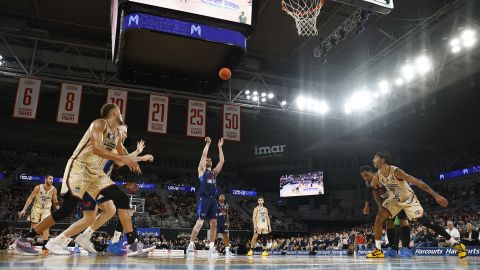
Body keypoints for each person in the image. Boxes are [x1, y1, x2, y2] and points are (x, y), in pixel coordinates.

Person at [14, 103, 153, 256]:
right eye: (120, 112)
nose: (122, 115)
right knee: (67, 209)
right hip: (79, 168)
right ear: (114, 113)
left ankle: (132, 244)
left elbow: (121, 159)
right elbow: (97, 149)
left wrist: (134, 158)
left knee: (122, 199)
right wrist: (128, 158)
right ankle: (25, 239)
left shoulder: (117, 136)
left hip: (96, 174)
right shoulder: (100, 123)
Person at [45, 124, 153, 255]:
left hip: (97, 184)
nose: (125, 134)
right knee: (93, 216)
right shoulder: (108, 143)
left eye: (126, 132)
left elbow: (122, 160)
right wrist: (140, 156)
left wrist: (137, 153)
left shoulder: (115, 147)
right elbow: (121, 161)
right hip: (92, 183)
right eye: (123, 131)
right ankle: (60, 240)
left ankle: (81, 237)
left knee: (109, 210)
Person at [366, 151, 467, 258]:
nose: (373, 160)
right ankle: (378, 250)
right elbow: (371, 188)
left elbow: (418, 182)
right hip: (394, 200)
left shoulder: (396, 171)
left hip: (408, 199)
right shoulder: (377, 175)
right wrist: (367, 204)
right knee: (379, 217)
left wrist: (436, 195)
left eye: (375, 158)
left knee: (427, 223)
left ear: (382, 160)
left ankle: (457, 244)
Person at [360, 166, 412, 257]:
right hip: (387, 203)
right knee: (389, 224)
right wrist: (381, 206)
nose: (365, 178)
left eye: (366, 175)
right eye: (363, 177)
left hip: (398, 199)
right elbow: (375, 194)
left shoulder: (380, 177)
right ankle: (392, 249)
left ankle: (406, 248)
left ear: (371, 172)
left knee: (402, 222)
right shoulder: (368, 183)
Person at [186, 137, 225, 257]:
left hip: (213, 200)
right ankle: (191, 245)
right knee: (200, 222)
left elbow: (222, 161)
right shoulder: (202, 170)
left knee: (214, 223)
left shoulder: (214, 173)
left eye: (210, 160)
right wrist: (208, 144)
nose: (209, 160)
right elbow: (203, 156)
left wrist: (219, 147)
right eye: (207, 160)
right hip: (203, 199)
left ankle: (212, 248)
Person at [18, 175, 60, 250]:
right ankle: (29, 244)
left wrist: (59, 209)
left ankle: (45, 246)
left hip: (46, 209)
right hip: (36, 208)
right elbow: (30, 198)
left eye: (52, 179)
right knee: (34, 227)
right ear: (45, 179)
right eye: (50, 179)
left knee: (46, 226)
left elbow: (55, 201)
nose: (51, 180)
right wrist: (24, 210)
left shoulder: (54, 189)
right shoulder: (38, 187)